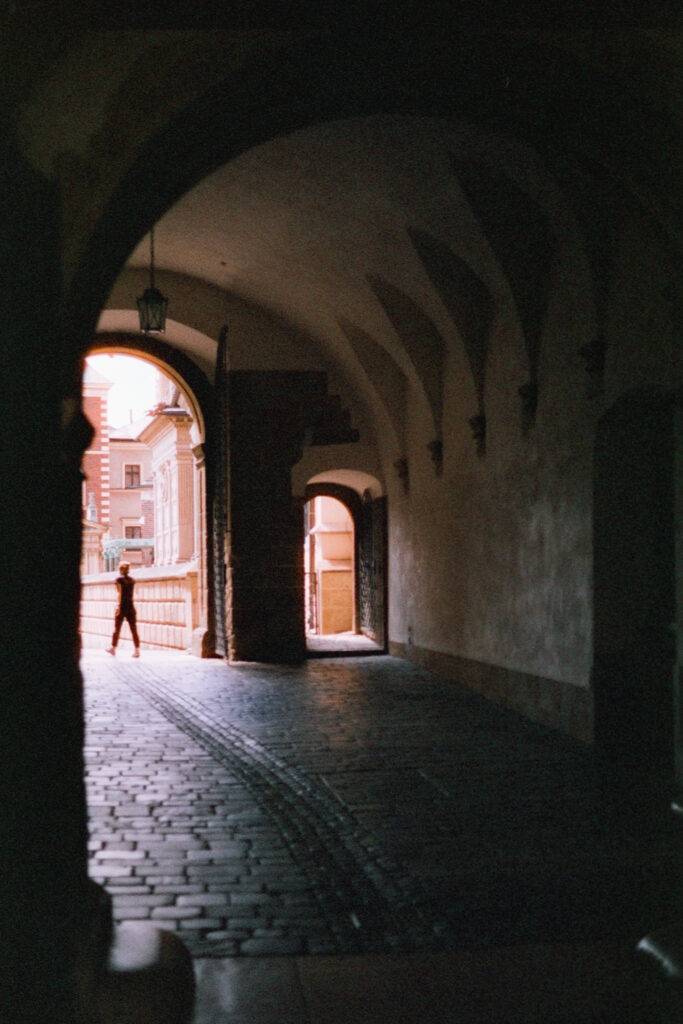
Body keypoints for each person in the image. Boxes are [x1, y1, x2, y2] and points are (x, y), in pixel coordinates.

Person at [107, 562, 140, 658]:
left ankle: (113, 648)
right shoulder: (132, 580)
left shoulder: (118, 580)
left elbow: (120, 593)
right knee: (133, 629)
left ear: (120, 569)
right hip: (131, 606)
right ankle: (137, 650)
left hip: (122, 606)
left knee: (117, 629)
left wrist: (118, 606)